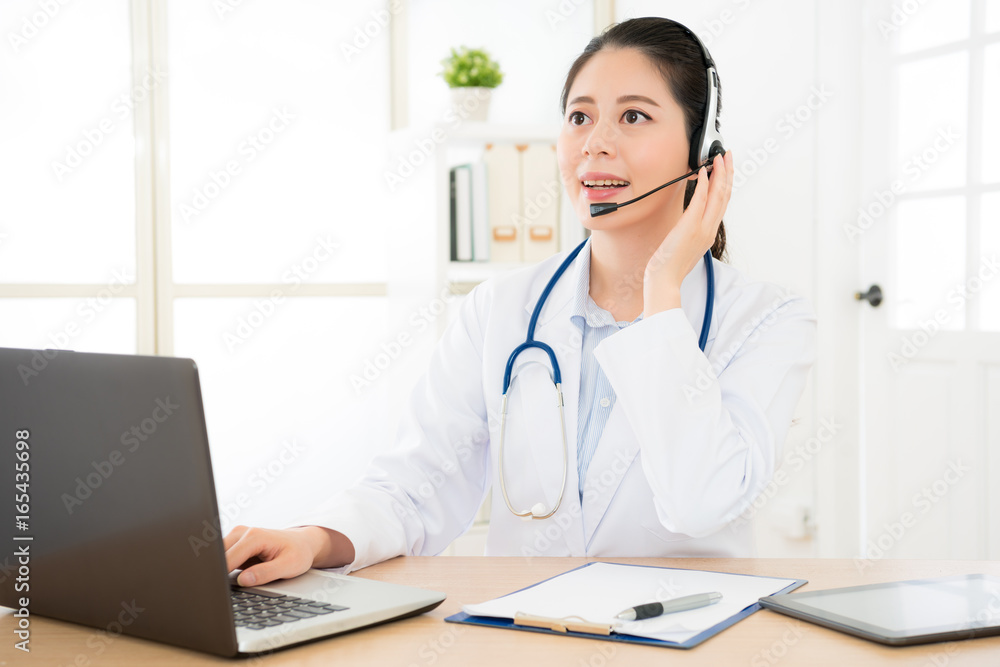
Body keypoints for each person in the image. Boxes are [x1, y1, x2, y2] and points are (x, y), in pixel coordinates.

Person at [223, 16, 816, 587]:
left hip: (682, 639)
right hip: (524, 634)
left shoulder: (769, 319)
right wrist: (313, 539)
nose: (597, 144)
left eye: (633, 116)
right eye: (579, 117)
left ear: (701, 153)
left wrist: (662, 293)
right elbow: (415, 484)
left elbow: (700, 502)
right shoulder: (501, 309)